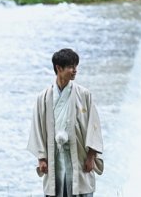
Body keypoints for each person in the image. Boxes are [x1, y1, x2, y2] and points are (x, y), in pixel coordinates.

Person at [28, 48, 104, 197]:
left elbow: (94, 127)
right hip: (55, 154)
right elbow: (37, 128)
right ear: (58, 68)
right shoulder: (43, 98)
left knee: (81, 189)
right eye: (71, 67)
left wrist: (91, 156)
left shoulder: (84, 95)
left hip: (79, 154)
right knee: (55, 190)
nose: (75, 70)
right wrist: (41, 158)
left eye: (76, 66)